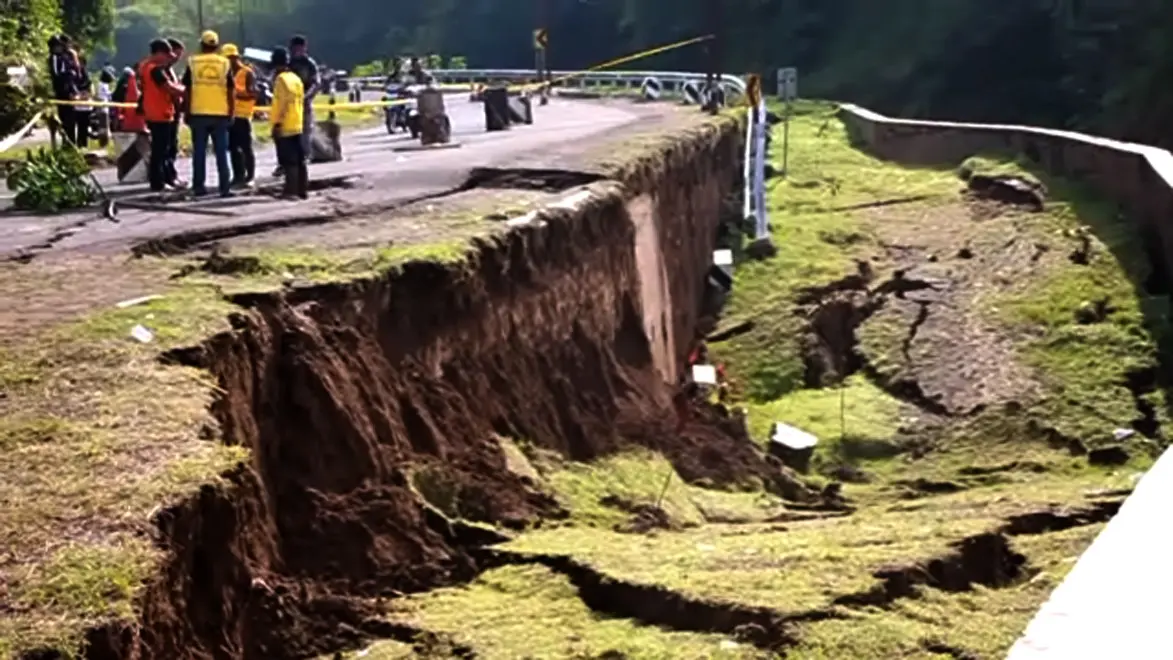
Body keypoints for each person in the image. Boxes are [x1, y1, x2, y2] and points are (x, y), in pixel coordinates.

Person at [181, 30, 234, 198]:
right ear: (217, 45)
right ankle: (224, 188)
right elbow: (231, 90)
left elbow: (187, 90)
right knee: (221, 152)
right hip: (220, 113)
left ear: (201, 45)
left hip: (198, 113)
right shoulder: (225, 63)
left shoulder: (193, 62)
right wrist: (231, 111)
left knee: (199, 152)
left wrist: (186, 111)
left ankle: (199, 187)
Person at [141, 39, 185, 192]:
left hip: (157, 112)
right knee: (160, 150)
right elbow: (169, 88)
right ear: (159, 53)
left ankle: (161, 180)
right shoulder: (155, 70)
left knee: (161, 149)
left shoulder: (147, 67)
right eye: (167, 54)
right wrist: (189, 92)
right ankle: (158, 183)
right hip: (160, 113)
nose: (169, 58)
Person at [269, 47, 307, 199]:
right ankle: (302, 190)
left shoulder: (281, 80)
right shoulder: (295, 78)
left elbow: (282, 103)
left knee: (288, 160)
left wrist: (277, 123)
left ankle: (290, 191)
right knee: (299, 159)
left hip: (285, 124)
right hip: (297, 122)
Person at [221, 43, 257, 187]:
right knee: (233, 147)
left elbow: (254, 93)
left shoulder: (247, 72)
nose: (228, 62)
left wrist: (236, 94)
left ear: (236, 57)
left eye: (230, 58)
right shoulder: (224, 74)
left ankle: (250, 176)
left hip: (243, 115)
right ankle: (238, 176)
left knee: (246, 147)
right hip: (229, 114)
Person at [288, 34, 319, 163]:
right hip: (289, 101)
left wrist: (307, 97)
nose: (297, 51)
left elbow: (316, 83)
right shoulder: (288, 63)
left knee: (305, 130)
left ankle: (305, 156)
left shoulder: (310, 64)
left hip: (304, 101)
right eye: (295, 49)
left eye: (300, 48)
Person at [164, 38, 187, 189]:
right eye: (176, 54)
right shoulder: (160, 69)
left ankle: (172, 175)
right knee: (166, 147)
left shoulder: (170, 70)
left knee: (172, 146)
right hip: (165, 114)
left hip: (174, 113)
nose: (177, 58)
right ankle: (167, 177)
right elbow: (171, 89)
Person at [48, 35, 79, 146]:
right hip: (62, 91)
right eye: (58, 46)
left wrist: (74, 90)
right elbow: (57, 74)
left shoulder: (65, 57)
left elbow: (72, 75)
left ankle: (72, 143)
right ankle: (67, 144)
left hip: (69, 91)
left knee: (72, 120)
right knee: (66, 120)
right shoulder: (54, 58)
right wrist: (68, 74)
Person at [71, 53, 93, 149]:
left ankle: (83, 144)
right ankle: (79, 145)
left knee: (83, 126)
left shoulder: (86, 75)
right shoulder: (74, 75)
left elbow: (90, 89)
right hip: (77, 104)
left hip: (85, 105)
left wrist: (84, 95)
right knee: (79, 126)